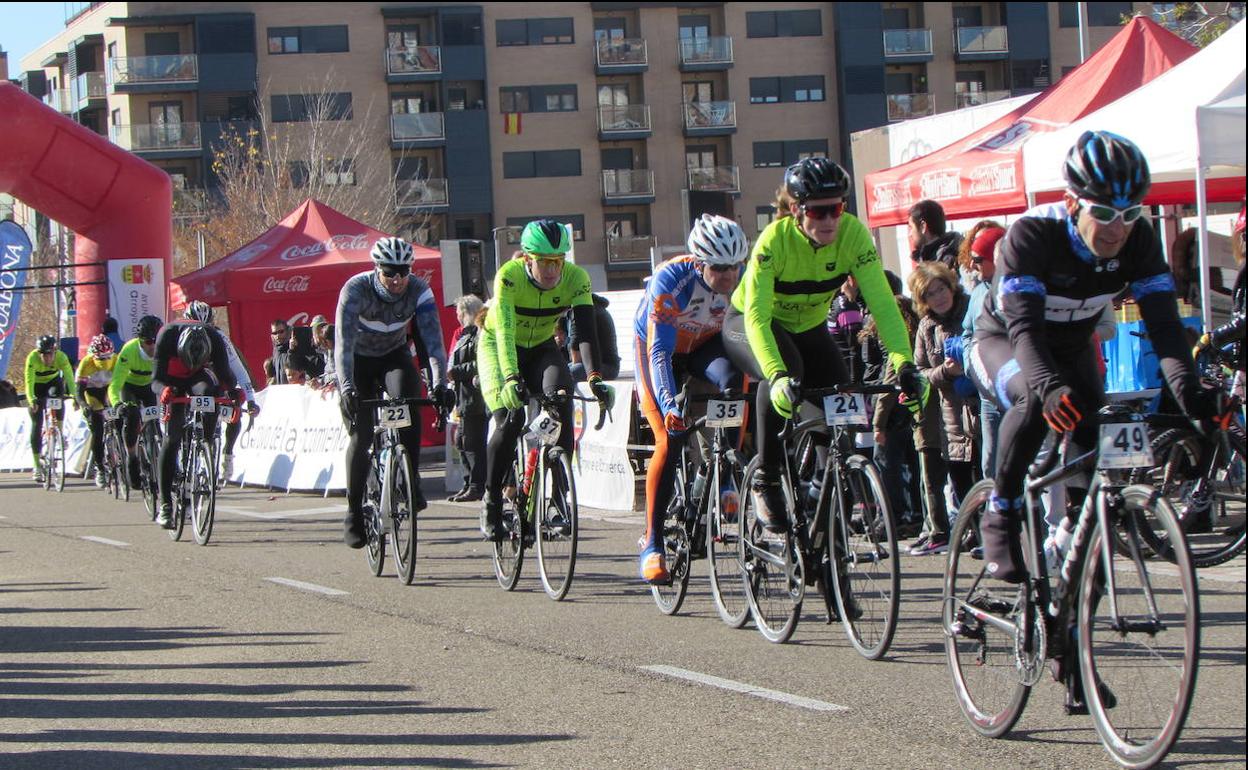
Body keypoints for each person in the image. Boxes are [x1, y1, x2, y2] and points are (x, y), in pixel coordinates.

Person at [970, 131, 1214, 591]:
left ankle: (1078, 537)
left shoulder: (1139, 240)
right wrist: (1048, 387)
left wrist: (1192, 396)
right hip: (1003, 340)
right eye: (1102, 213)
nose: (1116, 228)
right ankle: (1001, 511)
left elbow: (1165, 329)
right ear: (1071, 203)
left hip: (1072, 345)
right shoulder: (1033, 234)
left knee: (1094, 422)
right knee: (1031, 401)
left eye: (1129, 213)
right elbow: (1024, 329)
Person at [722, 158, 927, 531]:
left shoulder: (852, 235)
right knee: (786, 376)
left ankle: (822, 492)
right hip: (752, 326)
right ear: (798, 210)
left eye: (837, 208)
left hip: (810, 328)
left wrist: (904, 362)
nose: (830, 220)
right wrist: (777, 374)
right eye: (819, 211)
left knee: (839, 406)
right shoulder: (774, 241)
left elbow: (882, 303)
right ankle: (766, 478)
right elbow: (757, 317)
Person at [476, 219, 614, 541]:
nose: (553, 270)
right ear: (527, 259)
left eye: (558, 261)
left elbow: (585, 333)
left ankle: (557, 501)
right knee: (509, 421)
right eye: (544, 262)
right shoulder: (509, 277)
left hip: (540, 347)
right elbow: (507, 333)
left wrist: (595, 377)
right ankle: (492, 499)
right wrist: (511, 378)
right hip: (499, 347)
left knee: (562, 401)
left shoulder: (576, 278)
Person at [635, 214, 747, 584]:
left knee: (733, 382)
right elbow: (660, 355)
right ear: (700, 263)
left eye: (735, 266)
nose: (730, 276)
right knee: (669, 440)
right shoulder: (672, 281)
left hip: (703, 344)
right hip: (660, 347)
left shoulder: (742, 281)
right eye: (720, 268)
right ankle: (652, 544)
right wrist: (669, 406)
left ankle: (722, 471)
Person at [335, 236, 448, 549]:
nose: (397, 280)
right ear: (376, 269)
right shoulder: (355, 290)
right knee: (362, 436)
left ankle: (410, 479)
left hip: (393, 356)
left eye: (403, 272)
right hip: (358, 361)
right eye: (390, 273)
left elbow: (433, 343)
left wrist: (440, 384)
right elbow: (342, 345)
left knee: (409, 403)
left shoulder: (418, 290)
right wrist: (346, 388)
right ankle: (354, 510)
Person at [909, 261, 978, 555]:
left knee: (986, 475)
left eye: (941, 289)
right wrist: (946, 373)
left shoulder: (971, 308)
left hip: (981, 406)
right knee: (960, 480)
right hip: (950, 416)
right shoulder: (926, 326)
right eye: (931, 294)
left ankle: (990, 535)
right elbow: (920, 372)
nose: (939, 297)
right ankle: (972, 532)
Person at [152, 318, 238, 528]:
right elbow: (155, 380)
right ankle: (165, 506)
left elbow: (226, 376)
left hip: (197, 376)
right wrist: (163, 390)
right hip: (170, 379)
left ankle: (205, 445)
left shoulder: (214, 338)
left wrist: (235, 393)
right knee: (172, 438)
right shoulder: (166, 336)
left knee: (210, 393)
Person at [183, 300, 259, 481]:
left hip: (219, 378)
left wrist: (250, 399)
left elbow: (238, 368)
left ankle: (228, 453)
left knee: (235, 410)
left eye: (206, 327)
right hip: (191, 379)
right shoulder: (179, 336)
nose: (201, 331)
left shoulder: (219, 336)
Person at [956, 222, 1006, 478]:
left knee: (1027, 465)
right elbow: (967, 333)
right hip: (987, 395)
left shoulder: (1016, 287)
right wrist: (971, 367)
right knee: (991, 467)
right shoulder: (977, 293)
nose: (973, 265)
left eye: (978, 258)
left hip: (1017, 391)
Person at [109, 315, 163, 488]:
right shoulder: (129, 351)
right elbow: (115, 385)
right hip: (129, 387)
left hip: (150, 388)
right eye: (148, 342)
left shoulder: (164, 350)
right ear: (140, 341)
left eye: (156, 341)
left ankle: (156, 458)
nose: (153, 346)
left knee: (155, 427)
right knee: (132, 416)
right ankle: (132, 457)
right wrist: (117, 403)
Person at [447, 295, 487, 502]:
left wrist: (456, 371)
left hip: (475, 397)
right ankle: (468, 482)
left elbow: (482, 363)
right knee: (461, 442)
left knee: (472, 443)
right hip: (464, 396)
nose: (457, 317)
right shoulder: (466, 335)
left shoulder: (480, 334)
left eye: (459, 313)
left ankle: (476, 485)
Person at [24, 335, 77, 483]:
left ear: (54, 352)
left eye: (49, 354)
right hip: (36, 387)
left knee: (57, 399)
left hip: (53, 384)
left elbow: (70, 378)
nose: (47, 358)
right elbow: (28, 382)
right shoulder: (32, 358)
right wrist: (32, 400)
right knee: (36, 422)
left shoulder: (61, 357)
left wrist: (75, 396)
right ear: (38, 353)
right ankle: (36, 466)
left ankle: (59, 432)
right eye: (43, 355)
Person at [75, 334, 117, 487]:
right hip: (91, 393)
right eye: (101, 358)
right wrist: (83, 405)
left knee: (119, 416)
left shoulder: (116, 360)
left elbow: (121, 385)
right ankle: (100, 468)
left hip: (108, 390)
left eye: (108, 357)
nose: (105, 361)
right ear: (93, 356)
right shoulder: (86, 364)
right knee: (97, 431)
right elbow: (79, 392)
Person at [568, 293, 621, 382]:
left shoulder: (581, 310)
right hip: (610, 366)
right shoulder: (598, 308)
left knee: (561, 376)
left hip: (603, 367)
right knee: (561, 369)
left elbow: (575, 351)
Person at [827, 275, 866, 383]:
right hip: (848, 374)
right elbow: (854, 349)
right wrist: (854, 383)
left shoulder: (836, 302)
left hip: (839, 370)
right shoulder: (848, 306)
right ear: (850, 280)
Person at [908, 199, 963, 272]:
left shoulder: (946, 262)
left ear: (923, 226)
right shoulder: (932, 258)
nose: (910, 234)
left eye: (911, 227)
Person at [268, 319, 291, 385]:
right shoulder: (276, 350)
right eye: (275, 333)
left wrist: (292, 350)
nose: (278, 336)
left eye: (281, 332)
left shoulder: (294, 347)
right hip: (281, 390)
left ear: (287, 331)